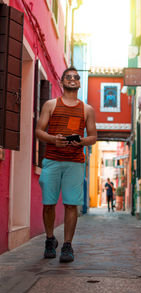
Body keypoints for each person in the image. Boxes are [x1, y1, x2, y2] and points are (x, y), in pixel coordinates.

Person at [35, 66, 97, 263]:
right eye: (68, 77)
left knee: (71, 205)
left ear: (79, 83)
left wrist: (80, 140)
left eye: (76, 77)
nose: (72, 79)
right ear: (61, 83)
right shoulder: (50, 105)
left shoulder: (87, 109)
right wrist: (54, 140)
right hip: (52, 160)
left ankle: (67, 245)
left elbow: (94, 137)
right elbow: (39, 131)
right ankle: (50, 239)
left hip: (75, 163)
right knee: (48, 205)